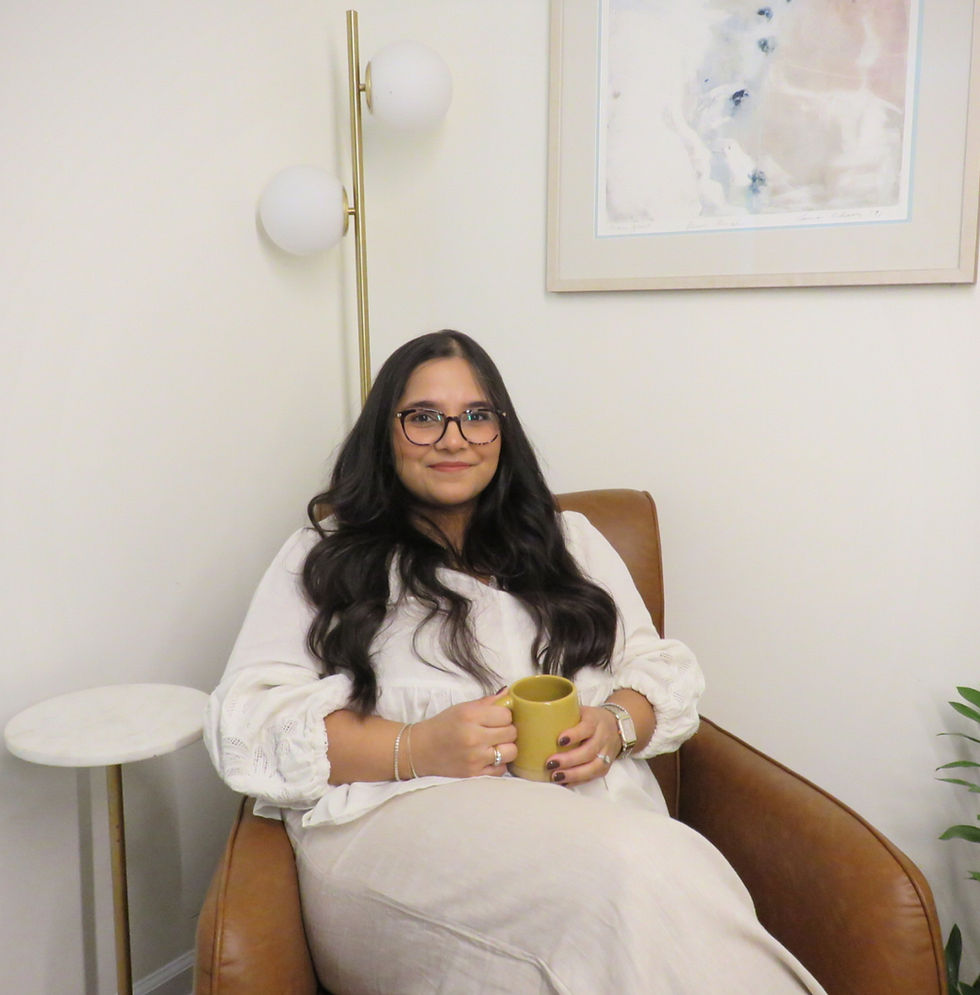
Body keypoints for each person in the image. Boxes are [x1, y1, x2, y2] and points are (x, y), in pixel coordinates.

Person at [205, 330, 826, 994]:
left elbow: (654, 670)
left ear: (502, 431)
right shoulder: (324, 555)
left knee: (656, 883)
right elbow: (248, 722)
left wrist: (614, 725)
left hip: (605, 830)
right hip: (402, 831)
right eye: (424, 417)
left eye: (476, 415)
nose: (454, 439)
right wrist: (417, 746)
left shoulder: (570, 542)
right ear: (385, 434)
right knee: (644, 872)